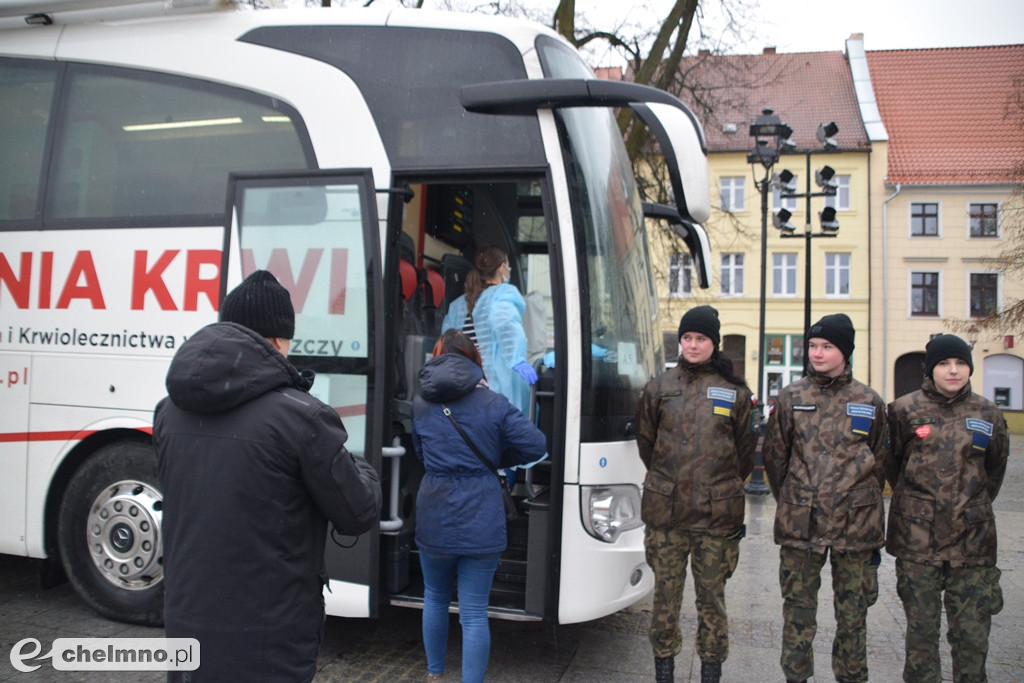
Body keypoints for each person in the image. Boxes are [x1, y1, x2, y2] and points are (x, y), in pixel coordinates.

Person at [153, 270, 382, 682]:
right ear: (278, 342)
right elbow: (358, 511)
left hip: (186, 629)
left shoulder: (169, 410)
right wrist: (360, 466)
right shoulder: (303, 418)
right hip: (267, 642)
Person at [412, 328, 547, 682]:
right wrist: (497, 458)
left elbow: (421, 453)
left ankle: (434, 674)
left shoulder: (421, 404)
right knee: (473, 612)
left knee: (434, 597)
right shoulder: (494, 403)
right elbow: (536, 444)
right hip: (482, 513)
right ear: (474, 360)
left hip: (435, 509)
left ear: (437, 357)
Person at [634, 306, 758, 683]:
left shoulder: (736, 392)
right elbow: (646, 442)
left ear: (714, 343)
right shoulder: (658, 388)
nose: (692, 345)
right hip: (667, 515)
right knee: (664, 600)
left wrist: (717, 485)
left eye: (700, 339)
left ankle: (710, 672)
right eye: (687, 338)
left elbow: (744, 452)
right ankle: (664, 672)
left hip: (715, 517)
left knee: (712, 601)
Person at [762, 313, 887, 683]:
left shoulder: (869, 400)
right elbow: (775, 458)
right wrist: (796, 498)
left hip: (855, 526)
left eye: (827, 346)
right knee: (797, 614)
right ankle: (796, 676)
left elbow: (881, 462)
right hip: (802, 526)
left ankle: (851, 676)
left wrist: (859, 499)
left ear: (845, 351)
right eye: (813, 345)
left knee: (853, 617)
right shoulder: (791, 397)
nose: (817, 353)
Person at [886, 334, 1008, 682]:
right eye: (944, 363)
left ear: (969, 368)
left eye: (960, 363)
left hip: (973, 542)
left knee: (972, 639)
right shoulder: (903, 410)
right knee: (921, 638)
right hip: (917, 542)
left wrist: (969, 506)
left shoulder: (988, 412)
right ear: (930, 368)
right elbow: (892, 466)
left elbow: (994, 470)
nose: (953, 371)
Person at [441, 245, 537, 416]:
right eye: (508, 266)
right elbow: (508, 329)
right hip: (493, 393)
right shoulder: (502, 296)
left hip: (461, 390)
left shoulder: (458, 305)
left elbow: (445, 343)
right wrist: (516, 359)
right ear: (501, 268)